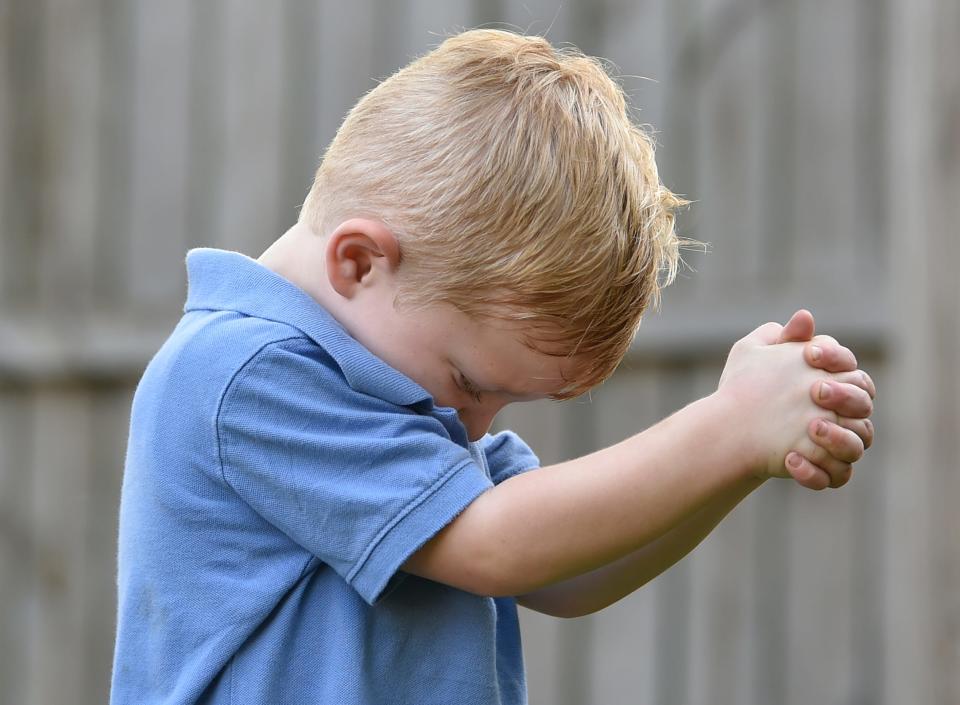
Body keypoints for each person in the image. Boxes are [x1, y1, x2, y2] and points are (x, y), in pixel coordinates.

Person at [110, 29, 875, 705]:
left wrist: (742, 461)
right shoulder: (243, 375)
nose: (476, 424)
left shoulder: (398, 395)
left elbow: (564, 575)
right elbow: (498, 544)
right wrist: (732, 423)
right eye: (473, 383)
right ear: (360, 261)